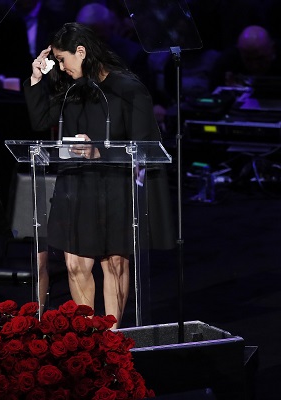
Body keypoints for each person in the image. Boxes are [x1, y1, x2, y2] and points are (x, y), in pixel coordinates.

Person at [23, 22, 175, 328]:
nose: (61, 68)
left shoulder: (127, 89)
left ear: (81, 52)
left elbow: (145, 148)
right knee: (75, 264)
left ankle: (111, 340)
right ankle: (88, 338)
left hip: (115, 187)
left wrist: (99, 152)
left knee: (114, 262)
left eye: (63, 60)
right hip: (76, 185)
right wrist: (37, 78)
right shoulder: (71, 89)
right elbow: (41, 121)